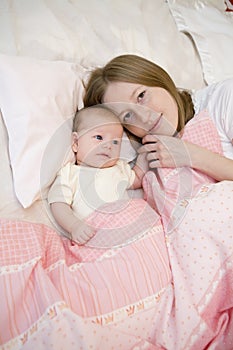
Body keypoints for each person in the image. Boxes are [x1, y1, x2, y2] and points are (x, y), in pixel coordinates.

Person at [83, 54, 233, 182]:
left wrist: (192, 155)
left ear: (158, 79)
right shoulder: (148, 159)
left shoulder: (223, 98)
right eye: (128, 116)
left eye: (141, 96)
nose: (144, 117)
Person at [48, 105, 148, 245]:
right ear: (76, 142)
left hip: (126, 225)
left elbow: (136, 179)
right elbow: (58, 203)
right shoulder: (70, 173)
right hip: (95, 231)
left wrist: (144, 156)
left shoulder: (118, 167)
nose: (108, 146)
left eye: (115, 142)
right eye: (99, 137)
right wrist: (74, 226)